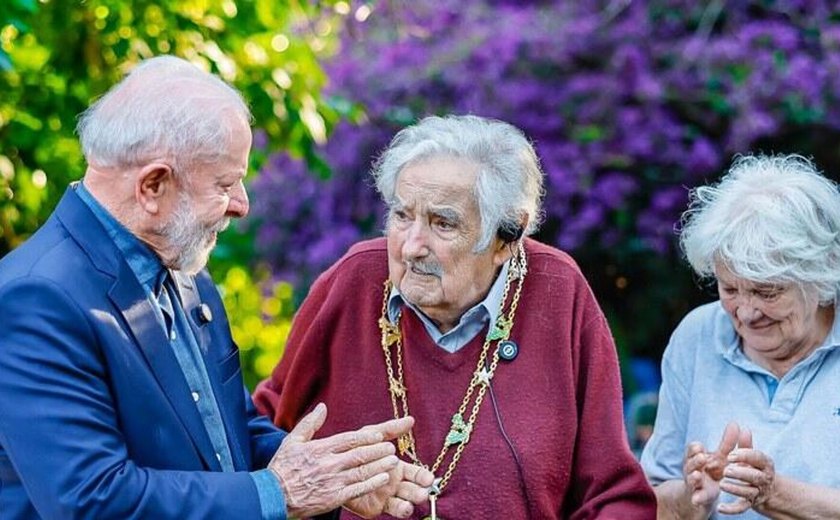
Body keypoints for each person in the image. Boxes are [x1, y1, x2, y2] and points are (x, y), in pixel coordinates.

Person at [0, 55, 434, 519]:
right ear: (152, 186)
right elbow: (93, 501)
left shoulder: (184, 273)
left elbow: (227, 435)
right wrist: (279, 493)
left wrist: (337, 475)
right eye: (226, 184)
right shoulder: (34, 300)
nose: (242, 205)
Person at [254, 114, 657, 519]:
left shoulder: (558, 290)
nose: (412, 247)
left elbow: (613, 496)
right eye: (402, 216)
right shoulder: (353, 280)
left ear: (505, 238)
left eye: (442, 223)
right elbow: (262, 439)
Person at [640, 154, 840, 519]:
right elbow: (650, 500)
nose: (746, 313)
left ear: (822, 276)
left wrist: (777, 494)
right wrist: (692, 496)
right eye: (729, 289)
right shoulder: (697, 335)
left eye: (768, 292)